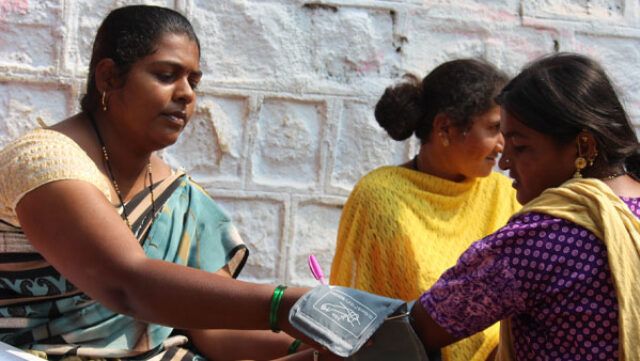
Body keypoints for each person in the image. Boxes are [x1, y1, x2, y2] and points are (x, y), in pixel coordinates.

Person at [0, 5, 338, 361]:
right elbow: (129, 284)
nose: (186, 94)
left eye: (193, 81)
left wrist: (316, 347)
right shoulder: (44, 162)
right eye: (166, 75)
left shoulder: (181, 197)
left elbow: (215, 330)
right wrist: (291, 306)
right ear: (109, 77)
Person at [409, 53, 640, 360]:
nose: (504, 162)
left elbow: (424, 327)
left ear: (584, 146)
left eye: (519, 146)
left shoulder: (543, 237)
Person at [330, 59, 520, 361]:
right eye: (494, 128)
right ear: (444, 127)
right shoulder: (380, 195)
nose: (502, 145)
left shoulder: (504, 194)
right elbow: (359, 306)